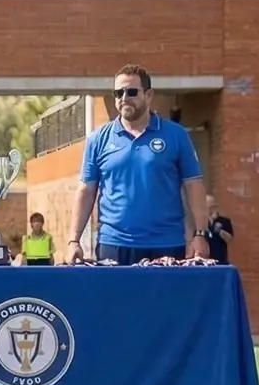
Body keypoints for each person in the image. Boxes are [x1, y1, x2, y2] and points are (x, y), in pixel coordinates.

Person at [68, 65, 209, 265]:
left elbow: (194, 185)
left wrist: (201, 234)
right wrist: (74, 240)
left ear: (149, 95)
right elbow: (86, 190)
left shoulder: (176, 135)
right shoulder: (98, 139)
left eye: (131, 92)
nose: (124, 98)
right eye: (118, 93)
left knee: (167, 298)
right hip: (113, 245)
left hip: (167, 244)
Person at [204, 194, 235, 265]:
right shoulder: (200, 222)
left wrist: (220, 231)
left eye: (208, 207)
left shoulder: (224, 221)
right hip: (204, 260)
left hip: (220, 260)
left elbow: (229, 239)